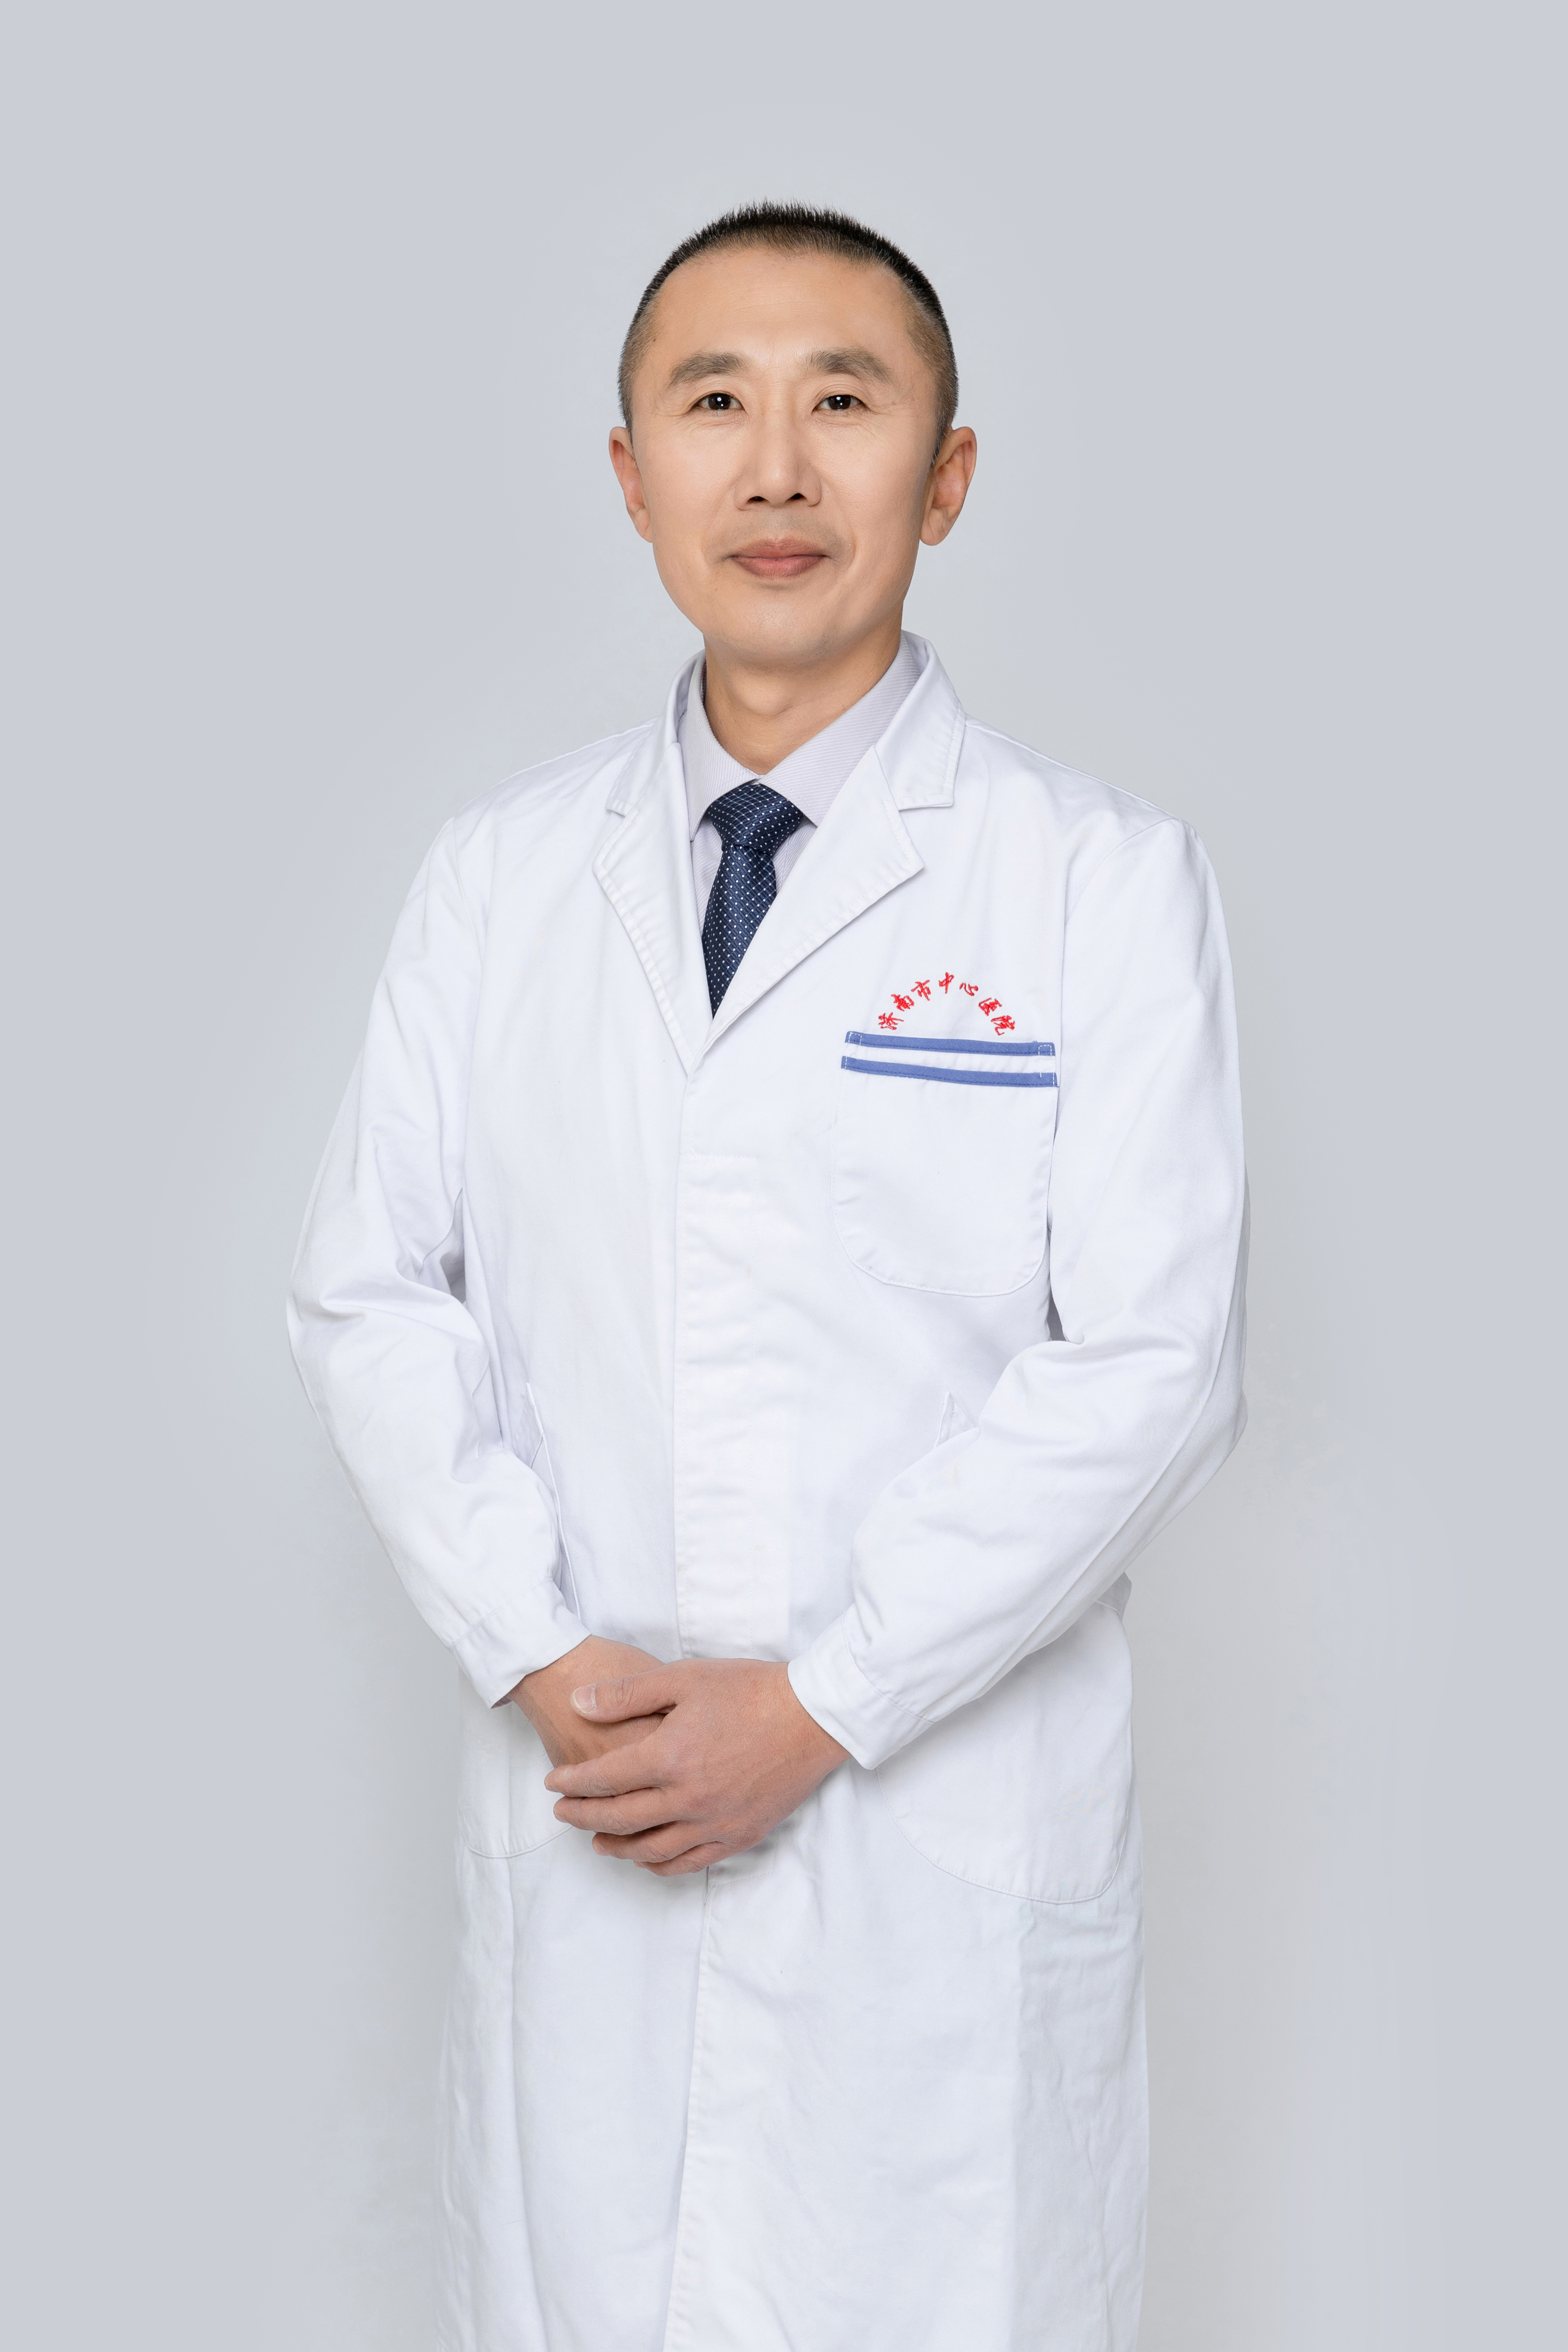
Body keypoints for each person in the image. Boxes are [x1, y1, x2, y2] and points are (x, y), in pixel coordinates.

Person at [289, 203, 1248, 2352]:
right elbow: (368, 1294)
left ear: (950, 475)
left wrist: (823, 1706)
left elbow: (1158, 1362)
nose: (780, 468)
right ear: (632, 476)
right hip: (595, 1807)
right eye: (714, 402)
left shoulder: (1095, 882)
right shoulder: (498, 879)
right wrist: (541, 1650)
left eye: (847, 400)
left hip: (935, 1846)